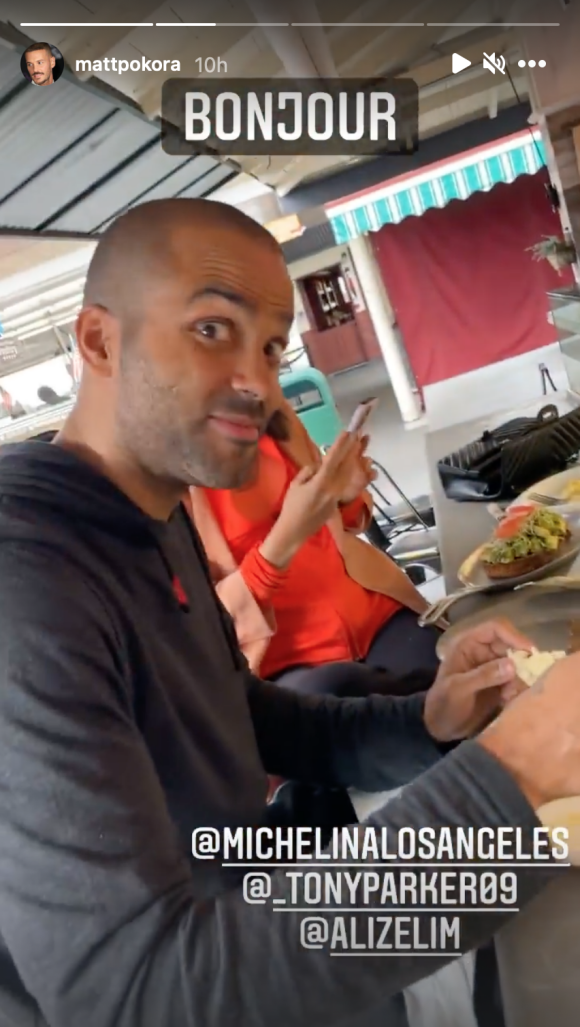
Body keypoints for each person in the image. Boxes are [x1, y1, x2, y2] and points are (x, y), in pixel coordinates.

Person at [0, 196, 578, 1027]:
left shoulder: (153, 513)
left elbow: (245, 716)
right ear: (99, 340)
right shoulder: (28, 581)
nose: (258, 384)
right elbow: (136, 997)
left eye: (272, 347)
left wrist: (431, 722)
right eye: (212, 329)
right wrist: (511, 786)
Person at [188, 400, 442, 698]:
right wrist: (284, 539)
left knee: (456, 671)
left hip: (374, 617)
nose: (257, 378)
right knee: (347, 697)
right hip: (284, 664)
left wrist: (345, 496)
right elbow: (198, 626)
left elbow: (337, 525)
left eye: (270, 356)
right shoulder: (166, 486)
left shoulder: (277, 419)